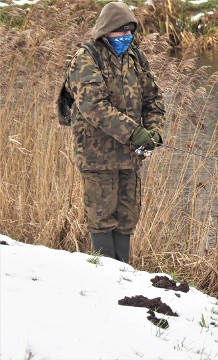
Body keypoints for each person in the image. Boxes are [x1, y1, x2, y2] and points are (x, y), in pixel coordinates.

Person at [65, 2, 165, 263]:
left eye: (130, 32)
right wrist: (134, 133)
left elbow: (153, 98)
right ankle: (104, 276)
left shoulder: (136, 57)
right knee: (101, 218)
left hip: (129, 157)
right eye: (120, 33)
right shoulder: (86, 58)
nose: (126, 38)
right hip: (97, 157)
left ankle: (124, 275)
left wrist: (153, 131)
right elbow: (93, 106)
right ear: (105, 31)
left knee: (127, 217)